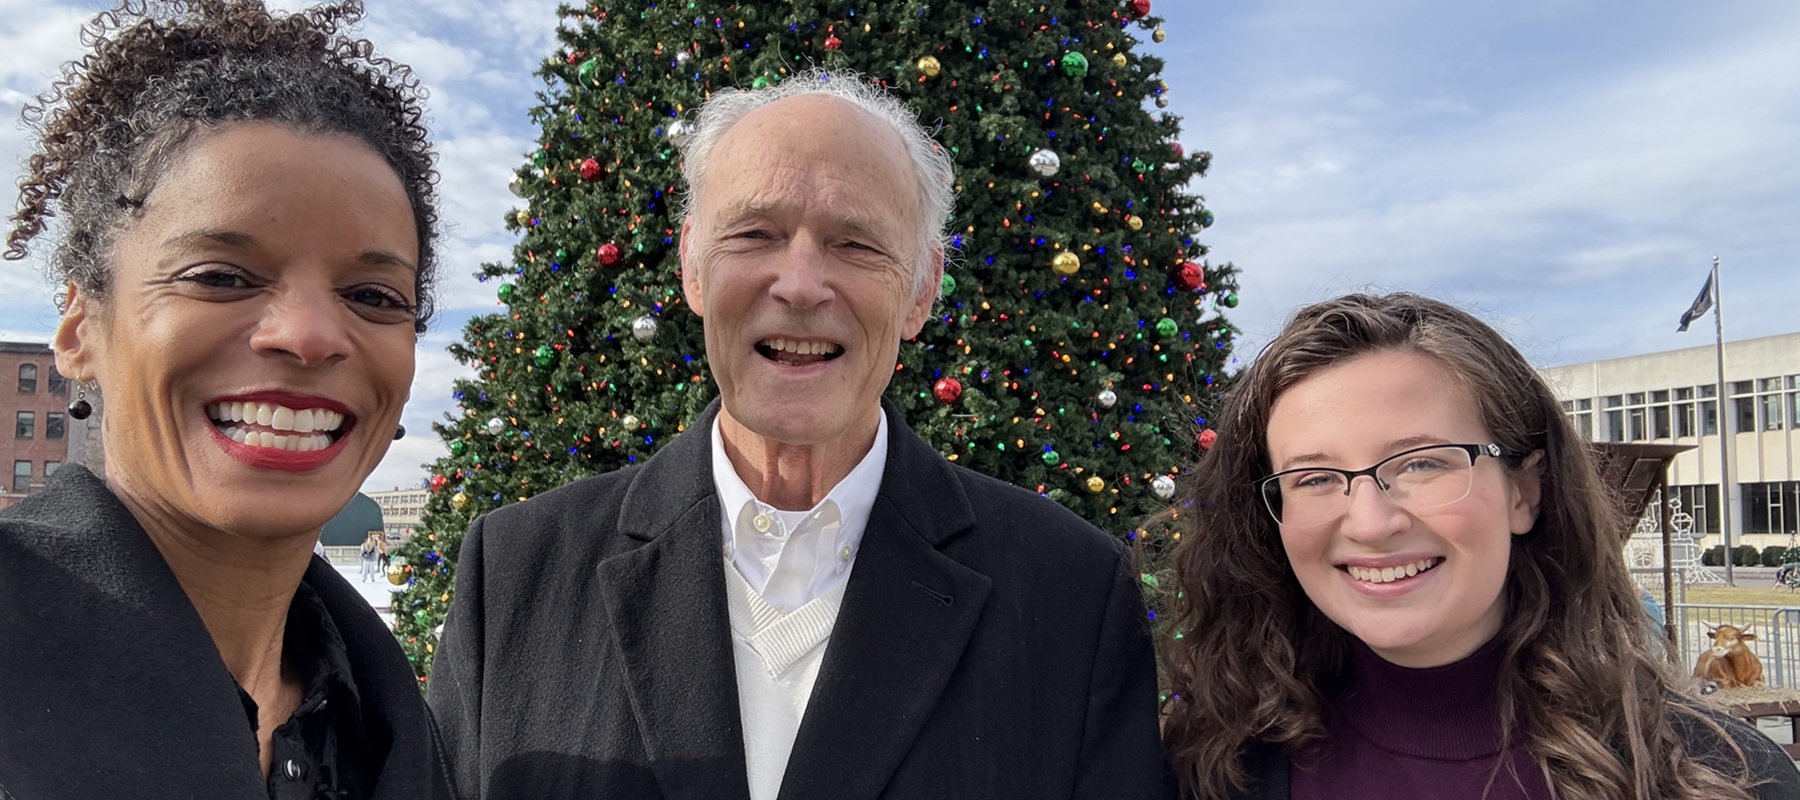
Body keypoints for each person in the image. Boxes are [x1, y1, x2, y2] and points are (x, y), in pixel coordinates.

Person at [429, 68, 1173, 799]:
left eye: (856, 244)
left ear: (921, 289)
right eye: (755, 233)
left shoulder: (1070, 592)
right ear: (692, 265)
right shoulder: (517, 572)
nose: (801, 284)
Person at [0, 1, 456, 798]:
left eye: (374, 295)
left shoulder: (395, 737)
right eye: (220, 277)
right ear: (78, 330)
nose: (310, 335)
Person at [1159, 292, 1800, 800]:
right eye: (1316, 478)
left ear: (1525, 490)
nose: (1371, 522)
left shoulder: (1724, 778)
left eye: (1421, 465)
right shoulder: (1210, 771)